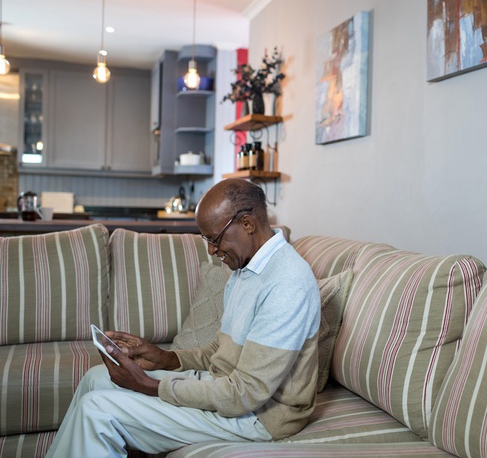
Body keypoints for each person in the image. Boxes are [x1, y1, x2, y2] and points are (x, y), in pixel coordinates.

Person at [45, 179, 321, 457]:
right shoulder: (246, 269)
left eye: (214, 239)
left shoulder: (287, 283)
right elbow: (218, 352)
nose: (212, 251)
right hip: (225, 388)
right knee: (97, 377)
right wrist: (164, 357)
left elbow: (246, 393)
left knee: (97, 410)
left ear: (247, 224)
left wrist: (150, 385)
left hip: (259, 417)